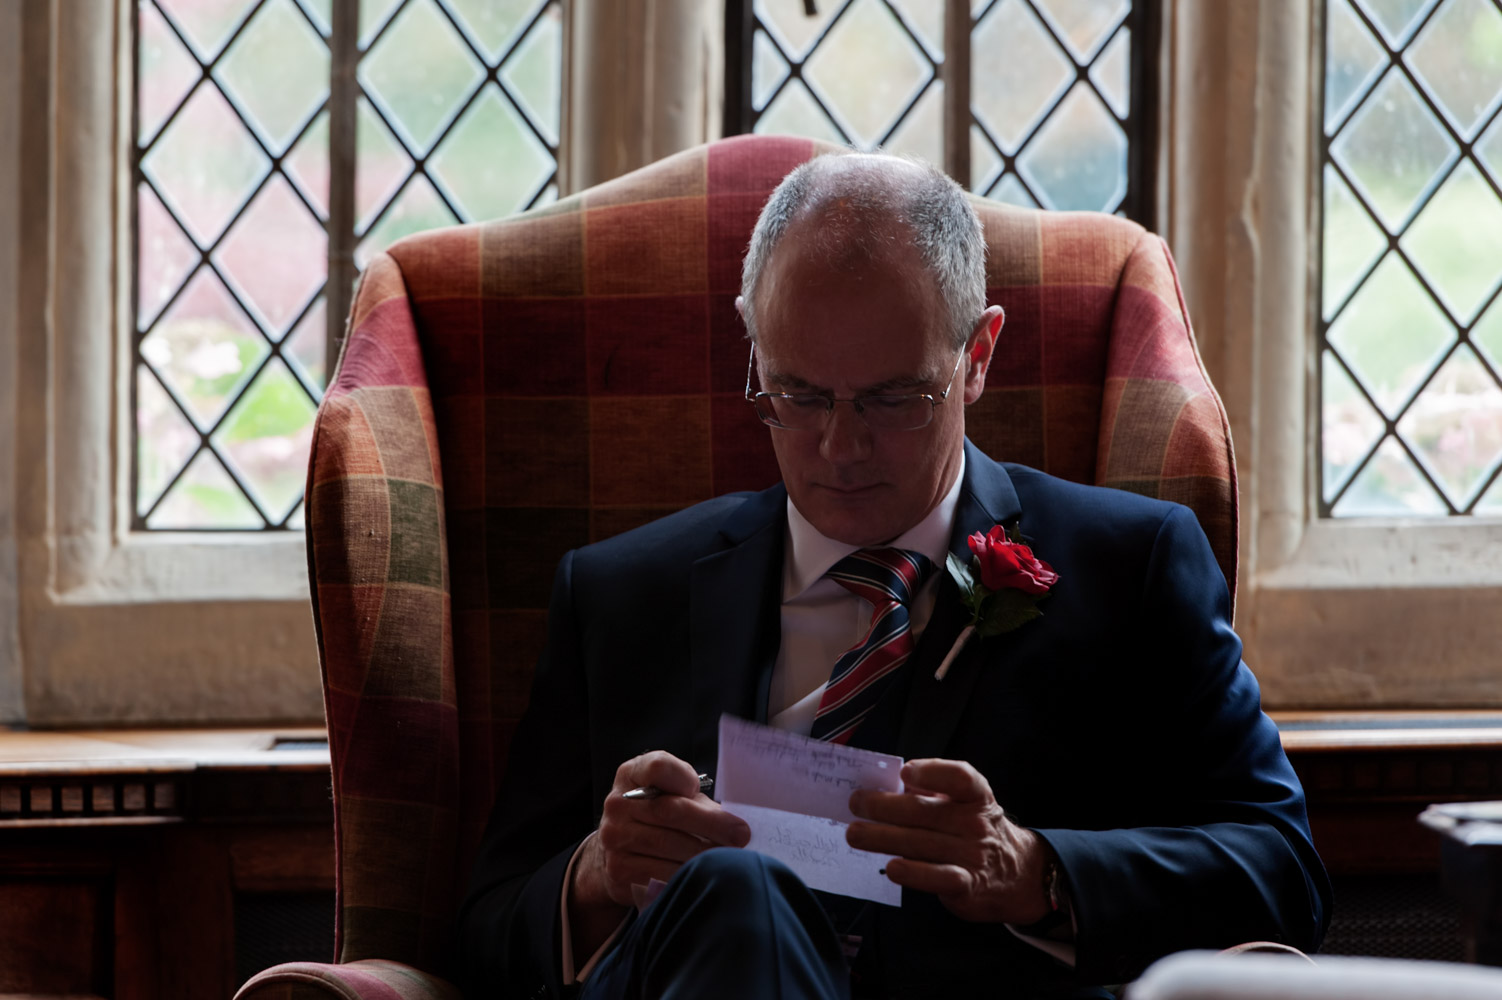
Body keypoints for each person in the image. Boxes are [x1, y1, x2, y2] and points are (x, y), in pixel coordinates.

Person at [458, 153, 1331, 1000]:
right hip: (702, 964)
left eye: (893, 399)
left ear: (978, 356)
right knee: (734, 893)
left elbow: (1281, 868)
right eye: (796, 395)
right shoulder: (621, 595)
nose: (840, 448)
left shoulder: (1127, 565)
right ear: (752, 348)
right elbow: (487, 928)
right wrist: (596, 875)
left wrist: (1035, 870)